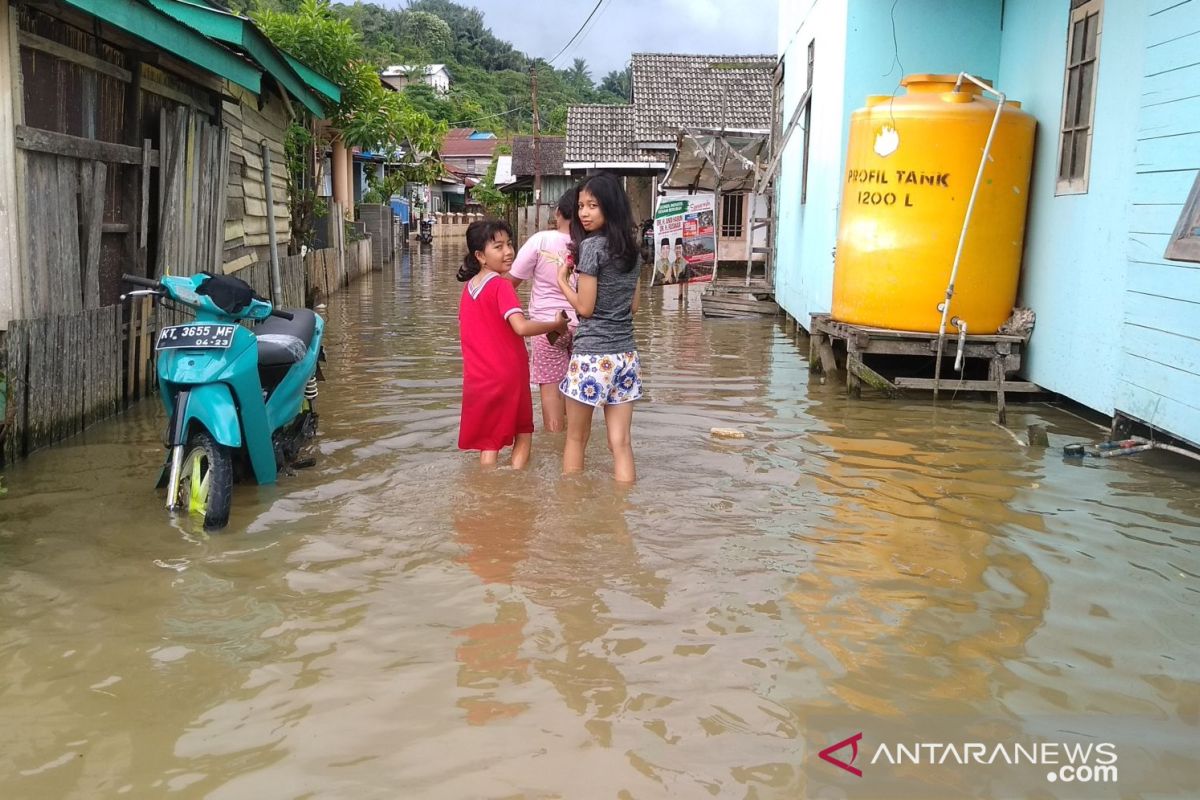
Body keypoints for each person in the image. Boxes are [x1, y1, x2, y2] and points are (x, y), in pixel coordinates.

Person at [458, 219, 567, 469]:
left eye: (509, 244)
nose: (508, 251)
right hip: (508, 375)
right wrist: (554, 324)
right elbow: (521, 327)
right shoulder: (501, 286)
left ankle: (488, 489)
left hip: (478, 377)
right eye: (498, 247)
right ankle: (515, 485)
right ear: (480, 256)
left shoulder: (468, 290)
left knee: (489, 443)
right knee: (524, 432)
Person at [556, 173, 643, 483]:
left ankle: (572, 513)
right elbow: (633, 307)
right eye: (581, 205)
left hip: (592, 357)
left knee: (576, 440)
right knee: (621, 444)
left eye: (593, 205)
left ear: (610, 207)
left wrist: (562, 281)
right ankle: (623, 512)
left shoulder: (591, 248)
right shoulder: (633, 251)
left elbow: (584, 308)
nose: (583, 212)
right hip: (626, 357)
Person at [509, 190, 578, 433]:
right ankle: (573, 443)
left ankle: (554, 443)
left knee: (550, 392)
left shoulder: (541, 240)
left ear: (558, 213)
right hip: (584, 326)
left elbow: (510, 284)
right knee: (577, 391)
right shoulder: (589, 244)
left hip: (547, 326)